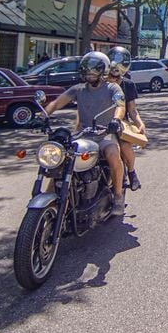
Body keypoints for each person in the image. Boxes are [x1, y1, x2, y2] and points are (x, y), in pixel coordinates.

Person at [41, 51, 134, 217]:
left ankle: (118, 195)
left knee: (113, 154)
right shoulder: (78, 89)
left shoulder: (112, 87)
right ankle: (51, 198)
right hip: (82, 135)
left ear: (103, 70)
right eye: (86, 69)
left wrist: (116, 120)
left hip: (104, 133)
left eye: (93, 70)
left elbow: (120, 105)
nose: (89, 73)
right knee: (60, 160)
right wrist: (43, 116)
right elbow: (56, 103)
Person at [106, 46, 146, 191]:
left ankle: (131, 172)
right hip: (99, 123)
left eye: (117, 78)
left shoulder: (128, 85)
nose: (113, 80)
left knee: (124, 145)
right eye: (111, 77)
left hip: (120, 123)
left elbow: (132, 110)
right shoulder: (98, 83)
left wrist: (140, 124)